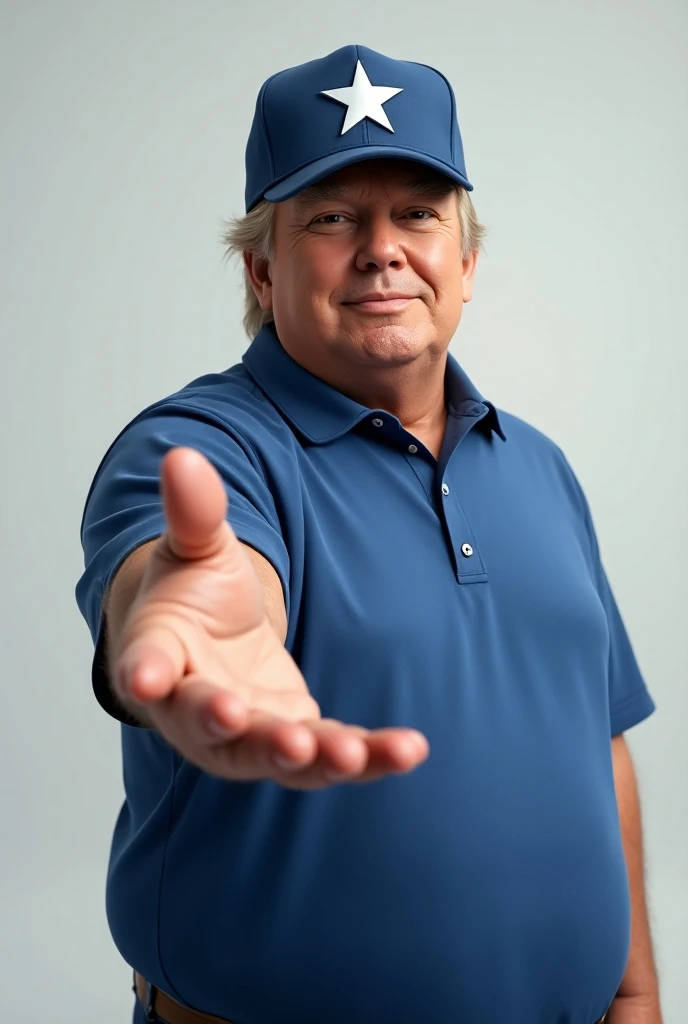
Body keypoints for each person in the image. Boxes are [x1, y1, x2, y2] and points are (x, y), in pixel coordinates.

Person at [75, 43, 662, 1024]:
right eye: (335, 217)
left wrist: (636, 990)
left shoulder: (539, 467)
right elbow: (182, 574)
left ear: (465, 263)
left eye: (417, 215)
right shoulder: (199, 447)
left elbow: (596, 742)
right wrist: (176, 620)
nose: (381, 248)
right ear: (262, 268)